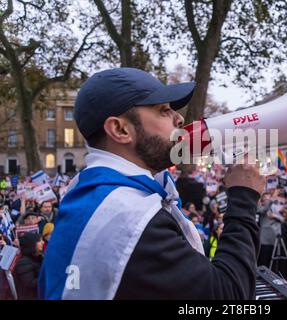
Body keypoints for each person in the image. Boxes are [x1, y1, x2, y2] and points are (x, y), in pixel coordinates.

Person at [39, 68, 266, 300]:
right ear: (120, 130)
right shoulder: (128, 217)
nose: (179, 118)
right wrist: (244, 197)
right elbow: (229, 297)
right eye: (164, 110)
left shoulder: (97, 196)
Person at [14, 232, 45, 300]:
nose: (43, 242)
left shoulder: (39, 257)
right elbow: (30, 284)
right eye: (39, 241)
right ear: (32, 244)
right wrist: (47, 277)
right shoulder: (23, 263)